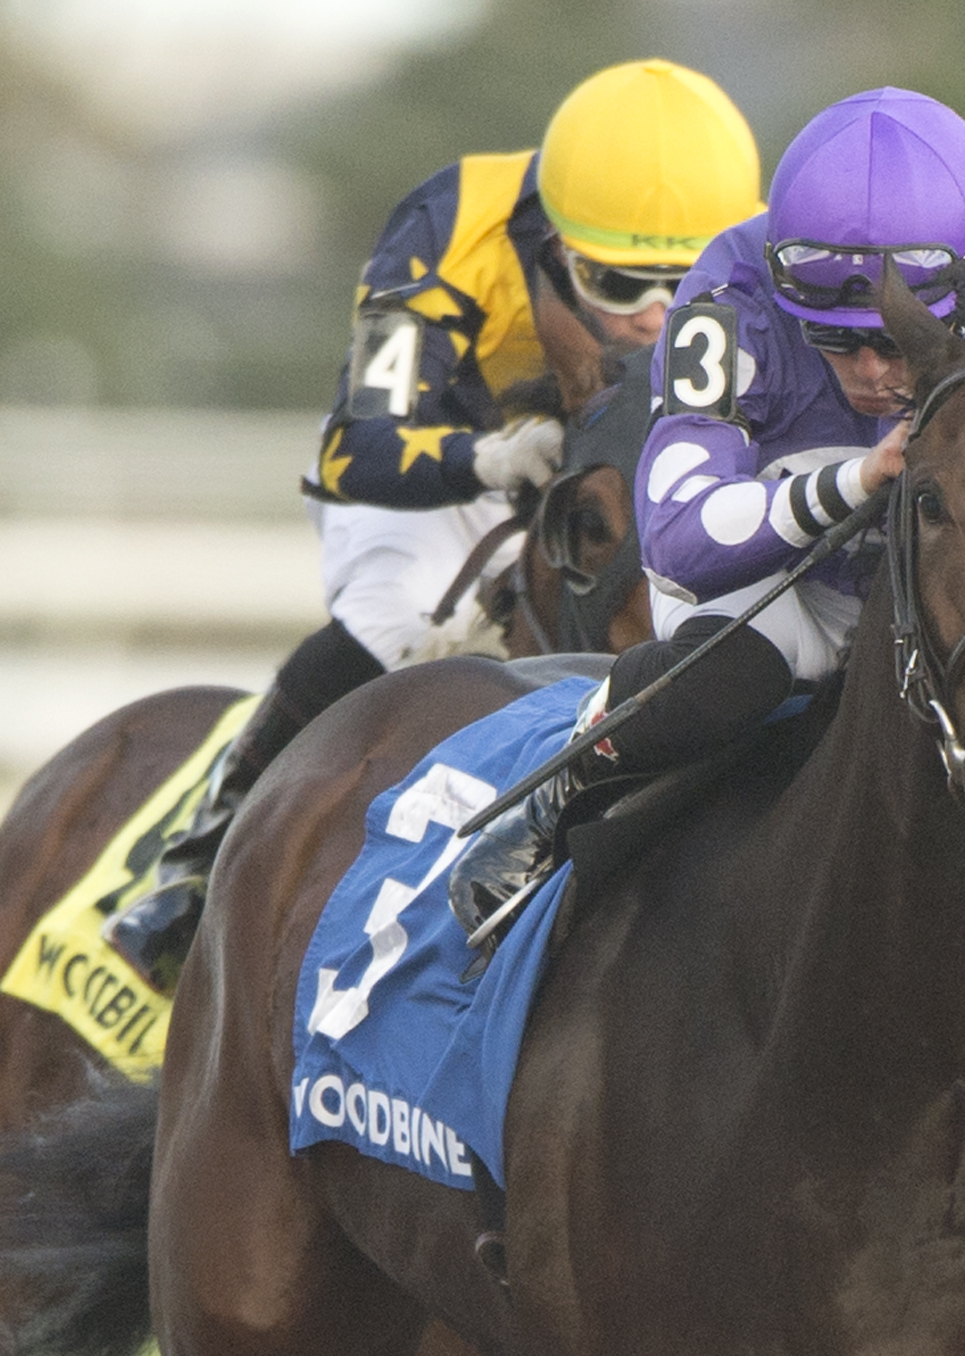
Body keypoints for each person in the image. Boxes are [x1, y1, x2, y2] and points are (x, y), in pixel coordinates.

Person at [444, 86, 965, 938]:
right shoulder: (731, 284)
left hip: (939, 572)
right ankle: (557, 796)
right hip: (775, 572)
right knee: (736, 672)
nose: (869, 372)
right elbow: (678, 537)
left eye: (896, 341)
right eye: (834, 340)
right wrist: (860, 478)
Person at [102, 58, 762, 977]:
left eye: (681, 285)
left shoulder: (759, 252)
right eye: (617, 284)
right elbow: (356, 447)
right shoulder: (451, 225)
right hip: (440, 475)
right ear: (553, 245)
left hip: (624, 473)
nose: (655, 320)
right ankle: (200, 853)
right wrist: (485, 459)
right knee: (411, 620)